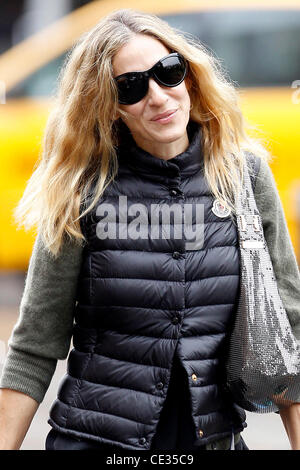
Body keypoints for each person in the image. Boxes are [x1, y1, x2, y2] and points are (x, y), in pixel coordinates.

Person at [0, 8, 300, 451]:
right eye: (131, 88)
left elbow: (287, 332)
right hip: (97, 444)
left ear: (190, 78)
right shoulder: (82, 189)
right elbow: (34, 347)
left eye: (168, 73)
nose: (158, 96)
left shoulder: (245, 176)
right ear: (110, 107)